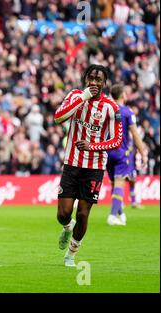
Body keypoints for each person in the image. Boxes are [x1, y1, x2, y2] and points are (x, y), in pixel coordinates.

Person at [54, 64, 123, 267]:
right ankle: (67, 228)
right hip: (72, 164)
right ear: (85, 79)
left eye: (98, 79)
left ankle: (70, 255)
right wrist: (82, 97)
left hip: (94, 168)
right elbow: (58, 117)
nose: (94, 82)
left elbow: (116, 140)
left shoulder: (111, 107)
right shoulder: (76, 96)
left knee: (83, 213)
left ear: (104, 83)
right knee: (63, 214)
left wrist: (92, 146)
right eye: (91, 78)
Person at [106, 84, 148, 225]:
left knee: (114, 184)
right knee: (119, 184)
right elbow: (135, 134)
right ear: (123, 95)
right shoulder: (127, 112)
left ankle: (121, 213)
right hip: (121, 152)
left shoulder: (107, 110)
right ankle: (112, 216)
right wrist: (143, 153)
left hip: (107, 152)